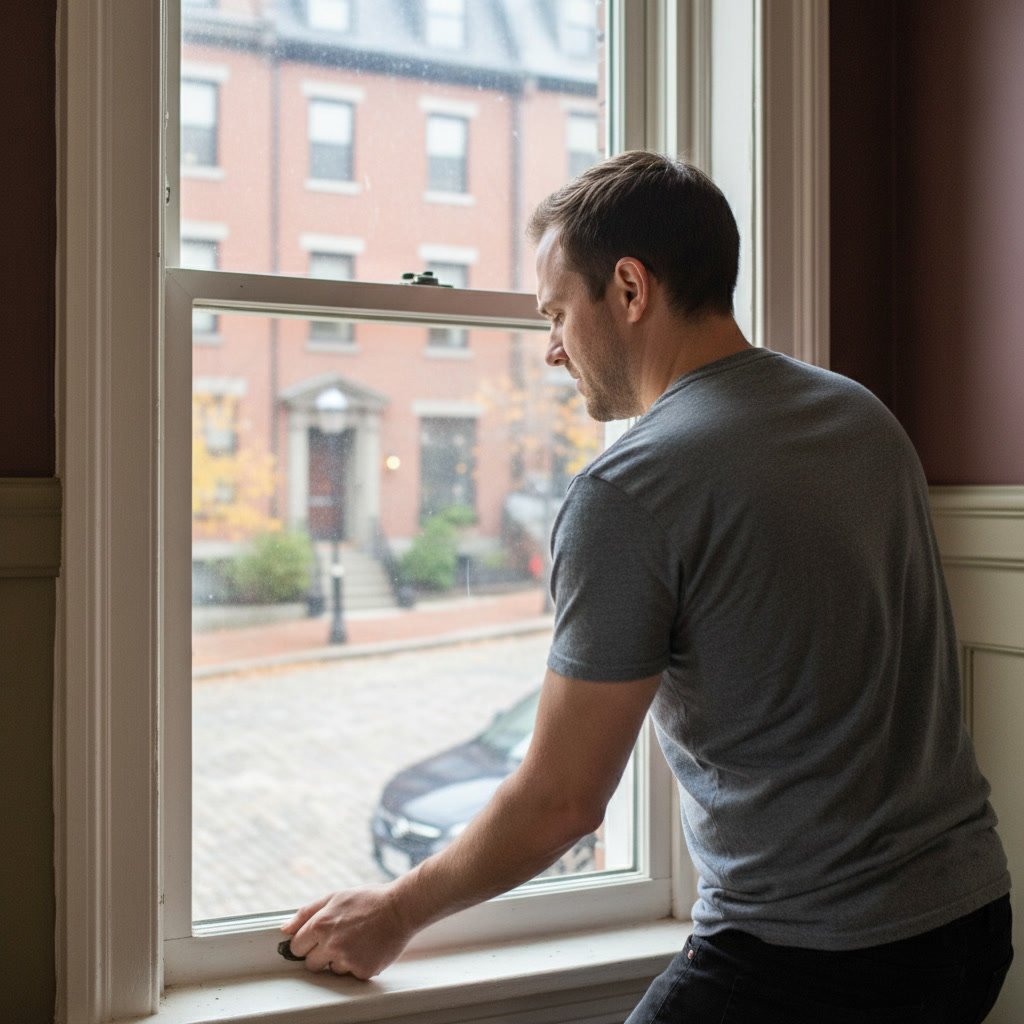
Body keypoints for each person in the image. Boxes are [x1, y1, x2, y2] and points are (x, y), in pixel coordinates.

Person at [282, 152, 1013, 1022]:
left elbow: (562, 801)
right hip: (970, 923)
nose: (552, 349)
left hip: (809, 957)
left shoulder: (631, 489)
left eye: (557, 313)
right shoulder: (859, 416)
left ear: (629, 289)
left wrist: (394, 912)